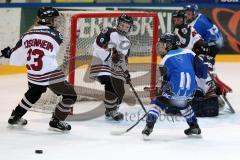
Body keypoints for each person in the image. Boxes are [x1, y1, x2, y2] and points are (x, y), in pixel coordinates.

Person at [1, 7, 77, 131]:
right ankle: (56, 121)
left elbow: (17, 55)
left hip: (33, 74)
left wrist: (9, 52)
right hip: (49, 74)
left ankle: (15, 116)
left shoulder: (26, 35)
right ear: (47, 20)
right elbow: (54, 45)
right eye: (54, 19)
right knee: (70, 95)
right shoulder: (56, 35)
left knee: (33, 94)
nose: (56, 22)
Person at [142, 32, 206, 137]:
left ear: (169, 45)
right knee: (184, 104)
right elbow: (202, 72)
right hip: (191, 91)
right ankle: (194, 126)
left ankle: (149, 126)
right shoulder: (189, 53)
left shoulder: (165, 60)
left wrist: (159, 91)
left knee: (159, 103)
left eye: (162, 45)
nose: (160, 48)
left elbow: (165, 83)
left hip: (174, 91)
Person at [171, 10, 219, 117]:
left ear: (183, 19)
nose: (176, 21)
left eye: (178, 19)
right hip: (182, 60)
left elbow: (198, 40)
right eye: (175, 20)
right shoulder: (175, 31)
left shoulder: (190, 28)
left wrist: (202, 47)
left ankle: (208, 92)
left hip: (190, 59)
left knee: (201, 69)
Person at [89, 14, 133, 121]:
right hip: (99, 63)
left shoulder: (127, 42)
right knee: (110, 82)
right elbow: (97, 45)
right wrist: (110, 56)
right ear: (118, 24)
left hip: (112, 67)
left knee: (120, 90)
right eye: (122, 25)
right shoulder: (108, 31)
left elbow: (122, 59)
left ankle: (113, 108)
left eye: (126, 27)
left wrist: (126, 72)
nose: (124, 28)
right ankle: (111, 110)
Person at [184, 4, 223, 70]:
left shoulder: (198, 25)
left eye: (189, 14)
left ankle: (208, 67)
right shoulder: (200, 16)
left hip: (213, 45)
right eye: (186, 13)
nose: (186, 15)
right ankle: (209, 65)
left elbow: (193, 41)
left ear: (194, 13)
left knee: (194, 53)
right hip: (217, 41)